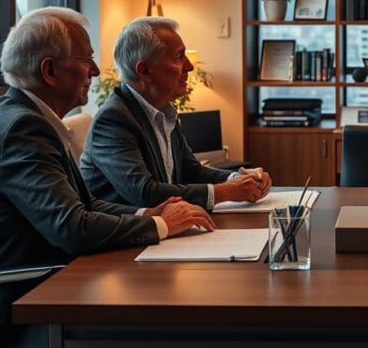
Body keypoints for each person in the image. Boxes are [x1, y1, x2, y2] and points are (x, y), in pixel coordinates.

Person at [0, 8, 215, 348]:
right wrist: (162, 226)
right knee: (166, 337)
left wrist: (149, 215)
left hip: (52, 286)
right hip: (19, 319)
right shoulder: (23, 129)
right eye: (87, 59)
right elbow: (71, 227)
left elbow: (86, 205)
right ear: (49, 71)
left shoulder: (30, 119)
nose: (96, 71)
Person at [81, 17, 271, 209]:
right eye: (179, 57)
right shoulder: (113, 120)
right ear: (145, 71)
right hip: (128, 234)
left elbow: (190, 171)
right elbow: (145, 193)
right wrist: (228, 191)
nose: (190, 66)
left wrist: (238, 178)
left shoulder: (164, 110)